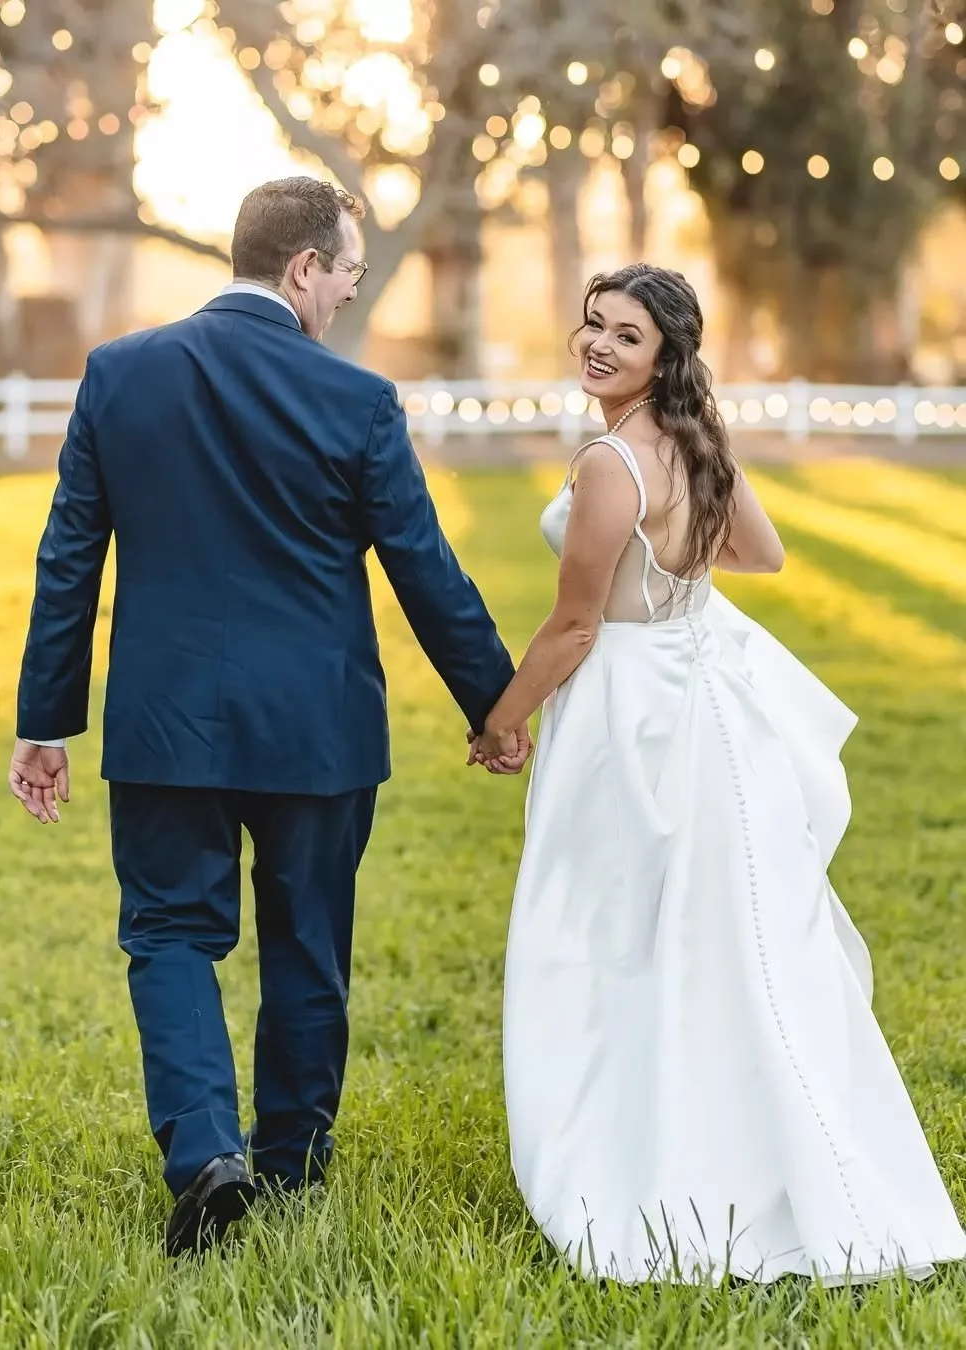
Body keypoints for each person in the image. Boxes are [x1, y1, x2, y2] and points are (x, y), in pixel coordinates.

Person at [8, 176, 530, 1258]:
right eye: (347, 274)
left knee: (168, 935)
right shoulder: (358, 400)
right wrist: (496, 705)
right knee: (307, 945)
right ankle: (288, 1168)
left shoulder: (119, 374)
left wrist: (46, 721)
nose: (346, 295)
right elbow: (423, 568)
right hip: (317, 731)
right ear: (303, 268)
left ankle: (207, 1157)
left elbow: (69, 558)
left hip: (164, 725)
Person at [469, 263, 966, 1283]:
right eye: (594, 324)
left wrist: (500, 722)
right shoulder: (696, 443)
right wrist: (676, 571)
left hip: (631, 711)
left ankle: (649, 1163)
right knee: (721, 937)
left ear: (665, 357)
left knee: (613, 931)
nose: (599, 345)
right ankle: (760, 1157)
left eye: (628, 336)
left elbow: (574, 626)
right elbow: (760, 553)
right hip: (707, 700)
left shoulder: (611, 462)